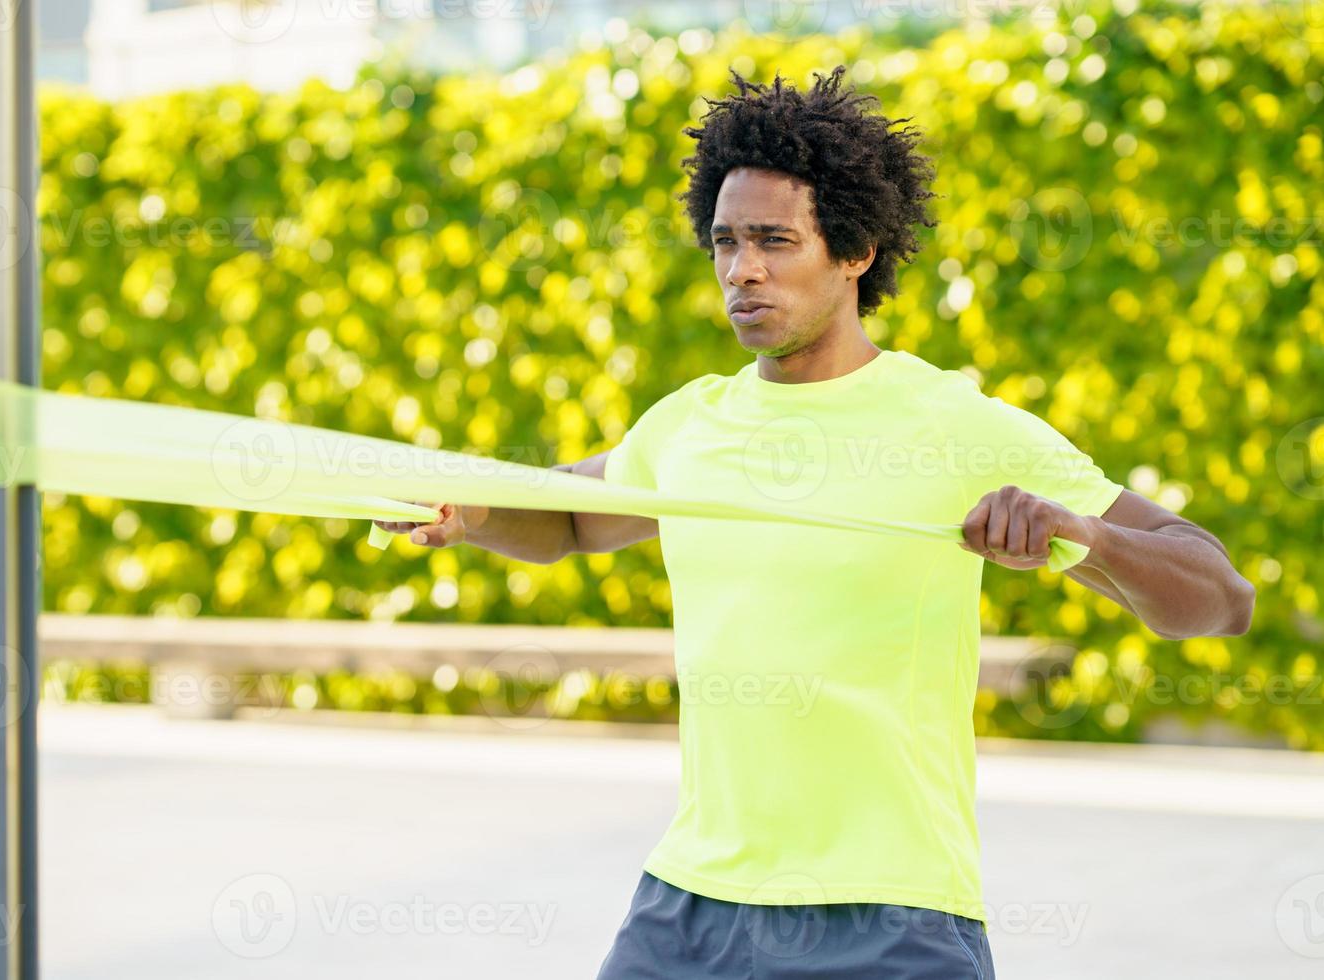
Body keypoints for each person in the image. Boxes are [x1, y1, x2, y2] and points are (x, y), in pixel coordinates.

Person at [373, 67, 1255, 979]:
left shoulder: (954, 425)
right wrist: (468, 508)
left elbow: (1221, 596)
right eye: (723, 241)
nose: (740, 268)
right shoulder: (688, 423)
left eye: (773, 240)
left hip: (891, 917)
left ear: (856, 249)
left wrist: (1085, 534)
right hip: (690, 905)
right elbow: (568, 520)